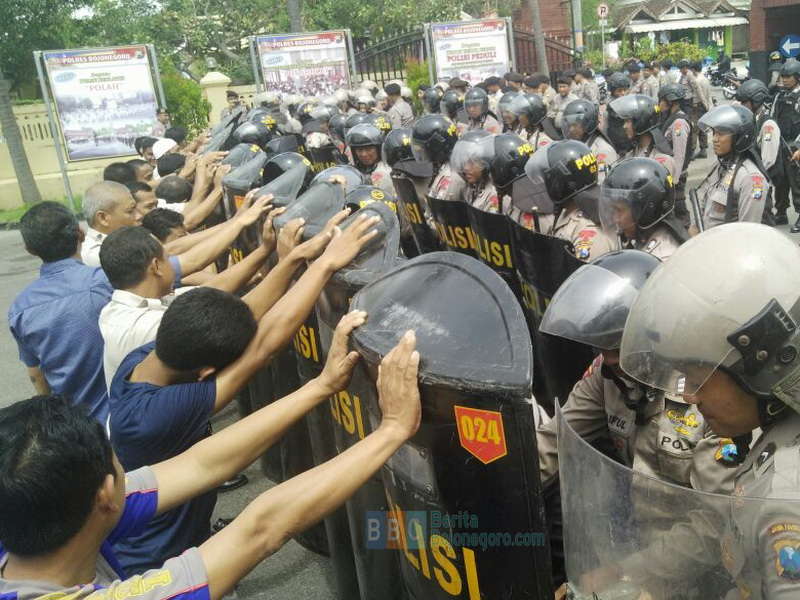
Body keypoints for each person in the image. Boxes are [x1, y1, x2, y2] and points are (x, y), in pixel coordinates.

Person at [0, 323, 421, 599]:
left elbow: (202, 465)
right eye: (119, 464)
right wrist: (392, 430)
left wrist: (320, 386)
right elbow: (261, 529)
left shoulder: (32, 514)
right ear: (106, 496)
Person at [106, 212, 380, 574]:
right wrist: (327, 263)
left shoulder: (142, 360)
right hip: (152, 560)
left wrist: (295, 259)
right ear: (207, 373)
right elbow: (262, 346)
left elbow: (244, 315)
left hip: (176, 527)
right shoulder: (157, 414)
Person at [619, 222, 800, 600]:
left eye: (698, 379)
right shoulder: (780, 428)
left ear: (765, 366)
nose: (691, 398)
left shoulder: (786, 502)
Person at [537, 248, 734, 590]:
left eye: (620, 343)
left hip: (707, 571)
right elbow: (554, 441)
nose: (609, 356)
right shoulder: (609, 375)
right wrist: (493, 479)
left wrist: (625, 573)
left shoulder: (707, 388)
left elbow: (717, 520)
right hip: (635, 549)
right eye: (603, 345)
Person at [98, 197, 280, 390]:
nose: (175, 265)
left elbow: (213, 289)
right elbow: (237, 315)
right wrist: (291, 260)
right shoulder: (147, 326)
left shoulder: (116, 309)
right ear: (156, 267)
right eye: (168, 259)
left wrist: (264, 250)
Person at [8, 203, 113, 423]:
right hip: (125, 417)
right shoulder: (107, 281)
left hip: (77, 426)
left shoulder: (21, 308)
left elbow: (37, 375)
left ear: (30, 249)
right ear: (81, 234)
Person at [524, 140, 616, 260]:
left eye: (547, 179)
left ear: (561, 182)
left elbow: (582, 277)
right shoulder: (566, 212)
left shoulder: (589, 231)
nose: (543, 186)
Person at [693, 104, 772, 231]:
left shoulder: (751, 179)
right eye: (714, 133)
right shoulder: (720, 166)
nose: (714, 139)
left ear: (739, 137)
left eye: (721, 134)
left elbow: (748, 233)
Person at [599, 157, 688, 260]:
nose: (615, 218)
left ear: (646, 211)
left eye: (619, 210)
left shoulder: (661, 257)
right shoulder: (643, 239)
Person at [735, 79, 783, 223]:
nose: (742, 106)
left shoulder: (768, 125)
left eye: (745, 102)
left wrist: (750, 174)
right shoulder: (751, 121)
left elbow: (767, 160)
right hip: (749, 179)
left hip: (759, 182)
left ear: (756, 101)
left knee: (763, 223)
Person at [607, 94, 677, 182]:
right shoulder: (632, 152)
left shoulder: (662, 160)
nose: (624, 126)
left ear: (641, 122)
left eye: (628, 121)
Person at [80, 182, 142, 268]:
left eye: (136, 208)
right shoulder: (97, 256)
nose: (139, 216)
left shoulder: (128, 239)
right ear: (103, 218)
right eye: (130, 211)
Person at [658, 84, 694, 226]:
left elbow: (680, 154)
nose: (659, 104)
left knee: (679, 208)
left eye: (661, 100)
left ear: (670, 101)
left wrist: (674, 180)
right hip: (669, 173)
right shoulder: (670, 118)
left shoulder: (679, 122)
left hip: (675, 175)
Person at [772, 60, 800, 231]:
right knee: (780, 179)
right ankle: (781, 212)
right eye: (783, 76)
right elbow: (772, 117)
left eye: (788, 76)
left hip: (795, 146)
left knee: (797, 182)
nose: (785, 79)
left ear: (797, 77)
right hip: (780, 144)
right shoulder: (779, 96)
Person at [412, 114, 465, 203]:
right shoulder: (442, 165)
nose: (420, 152)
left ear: (436, 146)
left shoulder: (450, 177)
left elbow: (439, 212)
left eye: (422, 148)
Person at [561, 99, 619, 180]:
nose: (571, 129)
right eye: (569, 125)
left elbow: (602, 185)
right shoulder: (576, 145)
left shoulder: (602, 151)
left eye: (575, 125)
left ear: (588, 124)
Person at [451, 132, 499, 212]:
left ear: (486, 162)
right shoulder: (472, 188)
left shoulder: (493, 195)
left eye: (473, 162)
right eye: (464, 161)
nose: (466, 168)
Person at [345, 123, 394, 196]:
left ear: (378, 149)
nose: (364, 154)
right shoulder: (352, 171)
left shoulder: (386, 171)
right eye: (359, 149)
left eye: (369, 149)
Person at [690, 62, 712, 159]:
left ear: (694, 70)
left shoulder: (696, 81)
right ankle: (703, 150)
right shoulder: (705, 79)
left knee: (694, 129)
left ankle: (692, 151)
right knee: (703, 128)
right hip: (704, 106)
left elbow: (700, 95)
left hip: (698, 106)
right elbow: (708, 95)